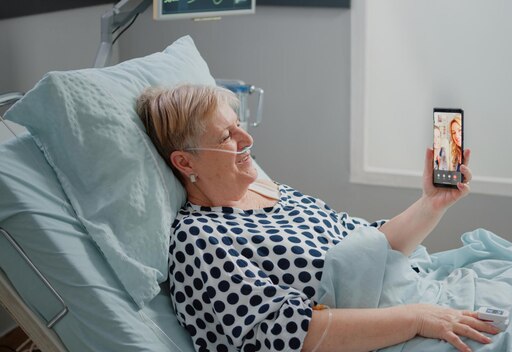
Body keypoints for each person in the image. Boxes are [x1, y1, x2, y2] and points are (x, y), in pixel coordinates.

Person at [136, 84, 493, 352]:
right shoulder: (199, 239)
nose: (247, 138)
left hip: (417, 297)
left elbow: (374, 245)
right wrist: (418, 318)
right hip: (391, 333)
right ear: (185, 162)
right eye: (227, 136)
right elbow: (289, 331)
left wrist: (432, 203)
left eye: (240, 124)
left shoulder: (274, 191)